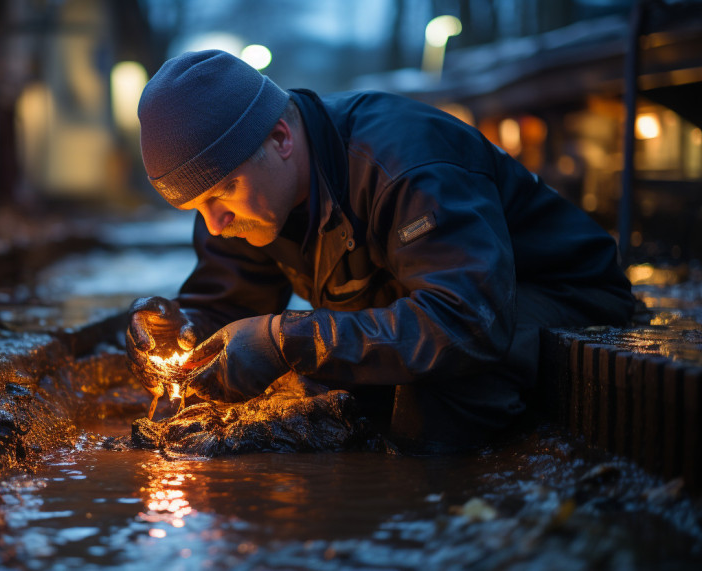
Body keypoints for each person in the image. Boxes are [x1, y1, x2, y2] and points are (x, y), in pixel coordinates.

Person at [125, 50, 634, 451]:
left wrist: (287, 340)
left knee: (434, 395)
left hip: (546, 294)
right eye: (196, 207)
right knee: (299, 396)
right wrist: (181, 330)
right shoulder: (254, 196)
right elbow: (231, 306)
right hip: (430, 302)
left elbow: (465, 322)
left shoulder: (403, 160)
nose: (214, 224)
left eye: (219, 193)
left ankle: (428, 513)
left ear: (280, 137)